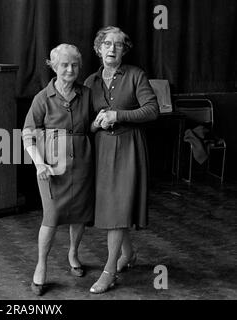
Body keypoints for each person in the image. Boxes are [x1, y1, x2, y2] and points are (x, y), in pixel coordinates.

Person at [84, 26, 159, 293]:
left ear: (124, 50)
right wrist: (95, 125)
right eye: (107, 44)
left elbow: (152, 110)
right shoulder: (90, 82)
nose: (112, 49)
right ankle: (128, 254)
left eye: (118, 45)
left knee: (117, 209)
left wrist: (118, 115)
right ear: (98, 48)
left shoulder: (136, 75)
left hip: (129, 148)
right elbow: (86, 124)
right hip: (103, 150)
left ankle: (109, 270)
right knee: (114, 207)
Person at [23, 44, 95, 296]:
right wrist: (39, 162)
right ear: (53, 67)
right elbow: (27, 135)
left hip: (83, 163)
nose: (70, 69)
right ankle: (41, 265)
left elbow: (94, 125)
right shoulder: (43, 98)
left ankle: (74, 253)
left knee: (79, 214)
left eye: (74, 65)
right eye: (64, 64)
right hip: (52, 166)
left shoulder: (87, 94)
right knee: (51, 217)